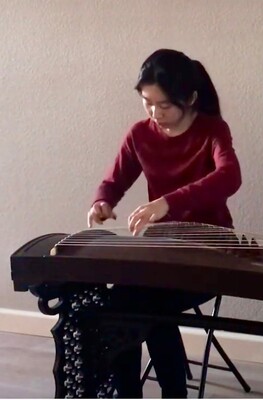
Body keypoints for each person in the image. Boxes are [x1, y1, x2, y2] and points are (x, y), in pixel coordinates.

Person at [86, 49, 242, 398]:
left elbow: (230, 177)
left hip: (210, 251)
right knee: (118, 306)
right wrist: (101, 202)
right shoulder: (141, 134)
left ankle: (173, 393)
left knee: (147, 306)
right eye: (146, 103)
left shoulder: (212, 130)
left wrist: (169, 201)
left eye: (164, 106)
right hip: (162, 250)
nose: (155, 114)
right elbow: (115, 180)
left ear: (190, 98)